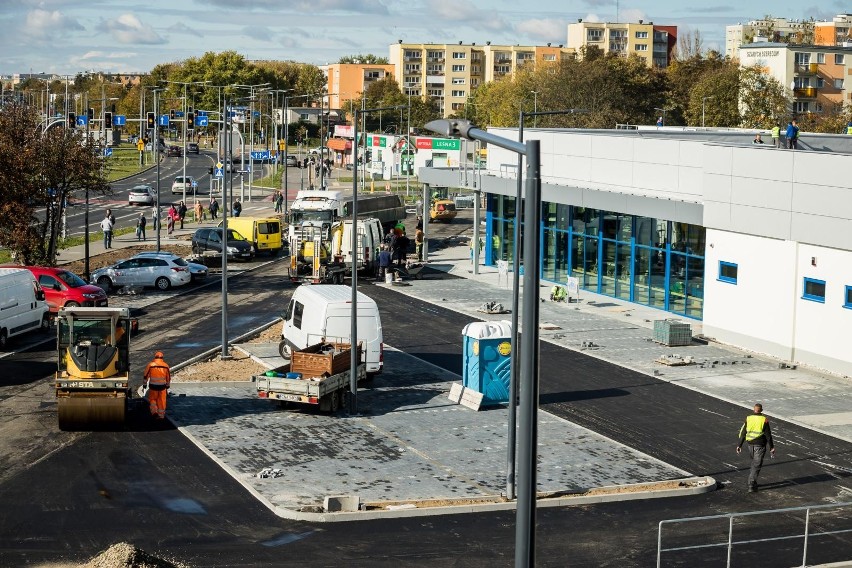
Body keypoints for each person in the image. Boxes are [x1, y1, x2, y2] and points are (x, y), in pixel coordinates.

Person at [737, 403, 776, 493]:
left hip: (750, 445)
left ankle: (753, 482)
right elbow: (768, 435)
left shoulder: (748, 418)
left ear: (754, 410)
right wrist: (772, 447)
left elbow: (743, 432)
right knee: (757, 464)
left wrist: (739, 445)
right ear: (761, 410)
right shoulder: (764, 420)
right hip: (760, 445)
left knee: (754, 463)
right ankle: (751, 483)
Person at [143, 351, 171, 420]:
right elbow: (168, 377)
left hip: (153, 386)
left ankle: (154, 411)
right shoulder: (166, 366)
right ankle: (161, 415)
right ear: (162, 358)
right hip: (162, 387)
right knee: (161, 401)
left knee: (153, 399)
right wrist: (168, 385)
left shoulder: (151, 365)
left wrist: (144, 384)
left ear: (155, 357)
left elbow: (145, 375)